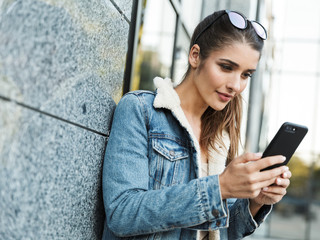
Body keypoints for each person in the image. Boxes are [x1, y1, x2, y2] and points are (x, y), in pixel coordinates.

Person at [102, 10, 291, 240]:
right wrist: (219, 187)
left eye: (246, 75)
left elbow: (221, 231)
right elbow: (123, 213)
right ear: (195, 56)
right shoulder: (141, 111)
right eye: (226, 67)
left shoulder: (221, 136)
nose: (236, 85)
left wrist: (255, 202)